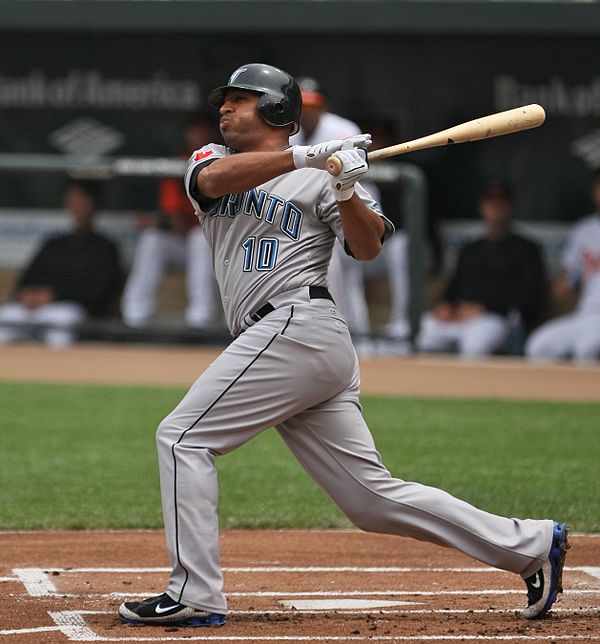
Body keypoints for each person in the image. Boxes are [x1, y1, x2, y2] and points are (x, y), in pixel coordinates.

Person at [117, 64, 568, 629]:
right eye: (224, 102)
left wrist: (347, 187)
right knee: (370, 501)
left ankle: (195, 593)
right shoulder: (212, 160)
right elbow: (214, 184)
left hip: (300, 326)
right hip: (288, 341)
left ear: (279, 110)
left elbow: (368, 245)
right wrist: (307, 157)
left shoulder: (323, 176)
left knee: (182, 437)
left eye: (241, 100)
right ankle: (529, 544)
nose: (225, 110)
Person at [291, 79, 411, 355]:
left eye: (313, 106)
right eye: (303, 105)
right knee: (332, 265)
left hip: (358, 217)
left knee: (346, 263)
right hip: (316, 227)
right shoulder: (288, 134)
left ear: (324, 107)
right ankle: (351, 340)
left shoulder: (343, 130)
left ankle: (390, 332)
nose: (307, 112)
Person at [416, 180, 547, 358]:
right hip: (459, 318)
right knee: (422, 332)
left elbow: (530, 298)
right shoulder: (471, 249)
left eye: (501, 201)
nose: (495, 206)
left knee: (474, 345)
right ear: (482, 205)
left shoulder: (525, 249)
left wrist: (484, 308)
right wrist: (446, 305)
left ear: (510, 206)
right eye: (490, 200)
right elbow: (453, 287)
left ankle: (472, 386)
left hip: (495, 319)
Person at [120, 113, 218, 329]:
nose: (198, 134)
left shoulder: (222, 161)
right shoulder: (179, 164)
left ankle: (200, 320)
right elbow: (174, 217)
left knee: (198, 238)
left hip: (216, 247)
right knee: (153, 239)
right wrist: (162, 222)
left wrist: (168, 221)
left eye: (202, 129)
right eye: (193, 129)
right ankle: (134, 316)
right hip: (184, 242)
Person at [0, 180, 121, 348]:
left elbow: (100, 294)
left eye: (82, 199)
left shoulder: (105, 247)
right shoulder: (54, 243)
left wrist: (54, 296)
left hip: (70, 310)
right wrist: (28, 294)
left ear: (94, 203)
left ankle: (58, 371)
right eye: (73, 199)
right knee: (6, 317)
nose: (77, 204)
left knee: (61, 321)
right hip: (36, 310)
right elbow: (25, 280)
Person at [525, 169, 600, 363]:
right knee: (539, 346)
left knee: (587, 348)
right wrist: (564, 285)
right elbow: (568, 277)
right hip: (586, 315)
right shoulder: (584, 230)